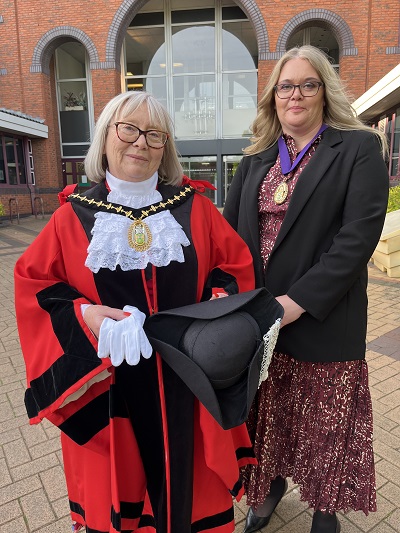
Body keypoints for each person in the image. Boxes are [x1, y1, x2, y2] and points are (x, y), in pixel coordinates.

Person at [14, 91, 258, 533]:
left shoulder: (194, 209)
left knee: (189, 503)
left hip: (189, 383)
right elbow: (35, 287)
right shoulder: (71, 218)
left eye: (154, 134)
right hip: (111, 388)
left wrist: (219, 309)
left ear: (165, 148)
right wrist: (85, 318)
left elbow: (234, 266)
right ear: (106, 137)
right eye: (128, 129)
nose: (140, 143)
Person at [223, 45, 389, 533]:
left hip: (322, 316)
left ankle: (323, 508)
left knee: (324, 426)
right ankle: (270, 487)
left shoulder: (357, 148)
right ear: (274, 97)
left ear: (324, 92)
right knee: (270, 416)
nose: (295, 95)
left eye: (307, 84)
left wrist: (293, 304)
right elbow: (229, 235)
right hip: (262, 320)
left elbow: (356, 240)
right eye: (285, 86)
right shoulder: (255, 159)